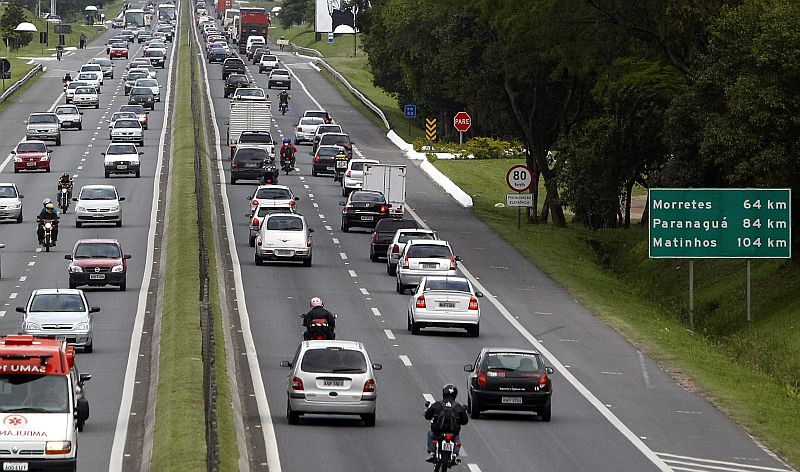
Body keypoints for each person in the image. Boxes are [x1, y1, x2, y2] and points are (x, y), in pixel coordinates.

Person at [424, 384, 468, 463]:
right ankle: (455, 454)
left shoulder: (437, 405)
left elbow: (427, 416)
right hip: (453, 433)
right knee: (457, 439)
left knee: (430, 434)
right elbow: (465, 421)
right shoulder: (458, 407)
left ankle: (432, 452)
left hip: (438, 432)